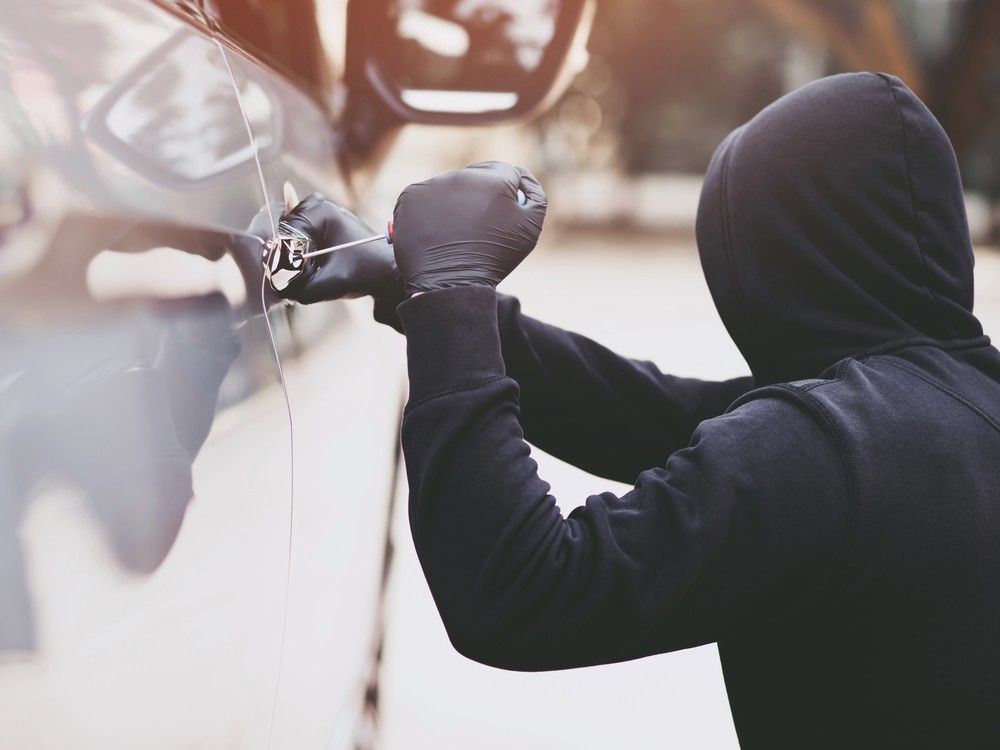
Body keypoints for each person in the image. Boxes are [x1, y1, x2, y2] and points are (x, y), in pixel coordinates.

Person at [277, 74, 1000, 748]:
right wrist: (412, 289)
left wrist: (451, 296)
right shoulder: (949, 409)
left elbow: (520, 588)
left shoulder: (834, 447)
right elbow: (649, 413)